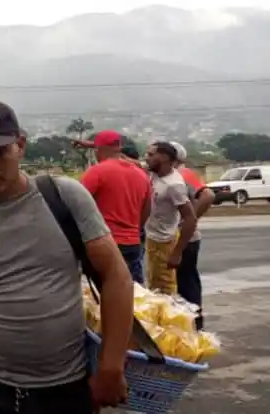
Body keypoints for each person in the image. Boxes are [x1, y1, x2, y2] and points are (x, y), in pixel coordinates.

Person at [0, 99, 133, 414]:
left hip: (67, 389)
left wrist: (112, 365)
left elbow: (116, 276)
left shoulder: (64, 197)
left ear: (20, 145)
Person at [79, 130, 152, 284]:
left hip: (106, 242)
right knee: (133, 290)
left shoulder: (97, 172)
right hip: (133, 243)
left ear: (98, 150)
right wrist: (136, 228)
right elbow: (146, 209)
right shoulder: (141, 174)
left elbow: (77, 202)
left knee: (105, 290)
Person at [170, 142, 215, 330]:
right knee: (185, 279)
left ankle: (193, 321)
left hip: (185, 237)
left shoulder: (183, 174)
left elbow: (208, 195)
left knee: (186, 281)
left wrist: (190, 219)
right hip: (181, 236)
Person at [144, 142, 198, 296]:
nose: (146, 158)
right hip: (152, 238)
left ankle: (173, 319)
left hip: (164, 241)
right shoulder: (155, 172)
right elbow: (128, 161)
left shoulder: (174, 185)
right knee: (154, 286)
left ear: (165, 157)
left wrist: (177, 253)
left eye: (151, 155)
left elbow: (190, 218)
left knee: (165, 289)